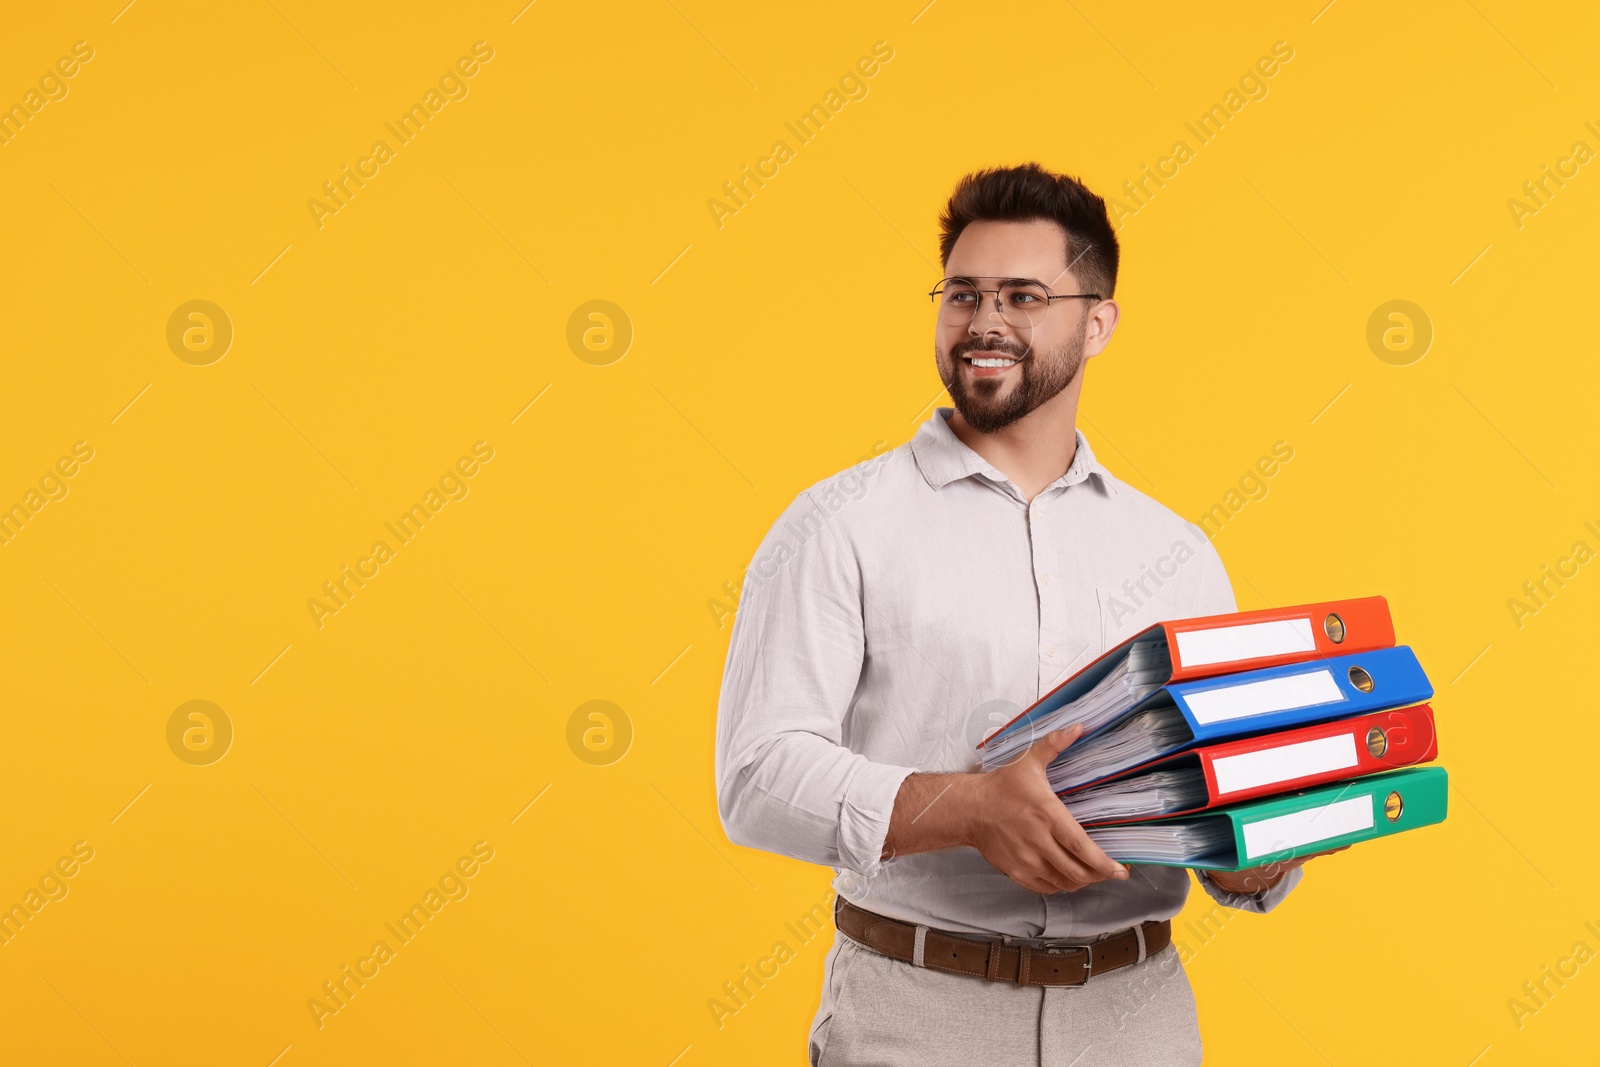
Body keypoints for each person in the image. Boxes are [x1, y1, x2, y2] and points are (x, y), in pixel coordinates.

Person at [713, 162, 1340, 1066]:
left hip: (1138, 1022)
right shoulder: (835, 526)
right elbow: (758, 774)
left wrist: (1278, 837)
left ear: (1098, 323)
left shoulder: (1177, 552)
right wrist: (967, 808)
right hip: (914, 1016)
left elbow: (1222, 831)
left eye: (1022, 295)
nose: (985, 322)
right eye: (962, 294)